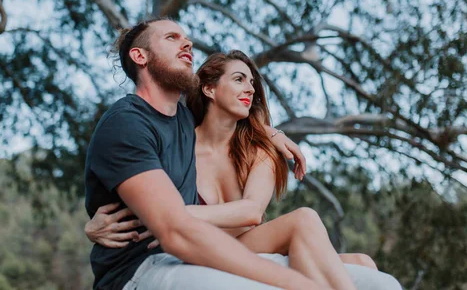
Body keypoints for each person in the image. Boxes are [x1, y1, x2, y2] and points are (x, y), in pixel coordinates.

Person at [85, 17, 401, 290]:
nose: (188, 44)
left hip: (201, 252)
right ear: (139, 56)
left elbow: (240, 204)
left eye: (188, 39)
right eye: (172, 37)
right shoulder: (131, 122)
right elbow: (166, 219)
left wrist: (270, 131)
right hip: (146, 266)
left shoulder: (180, 122)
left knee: (380, 283)